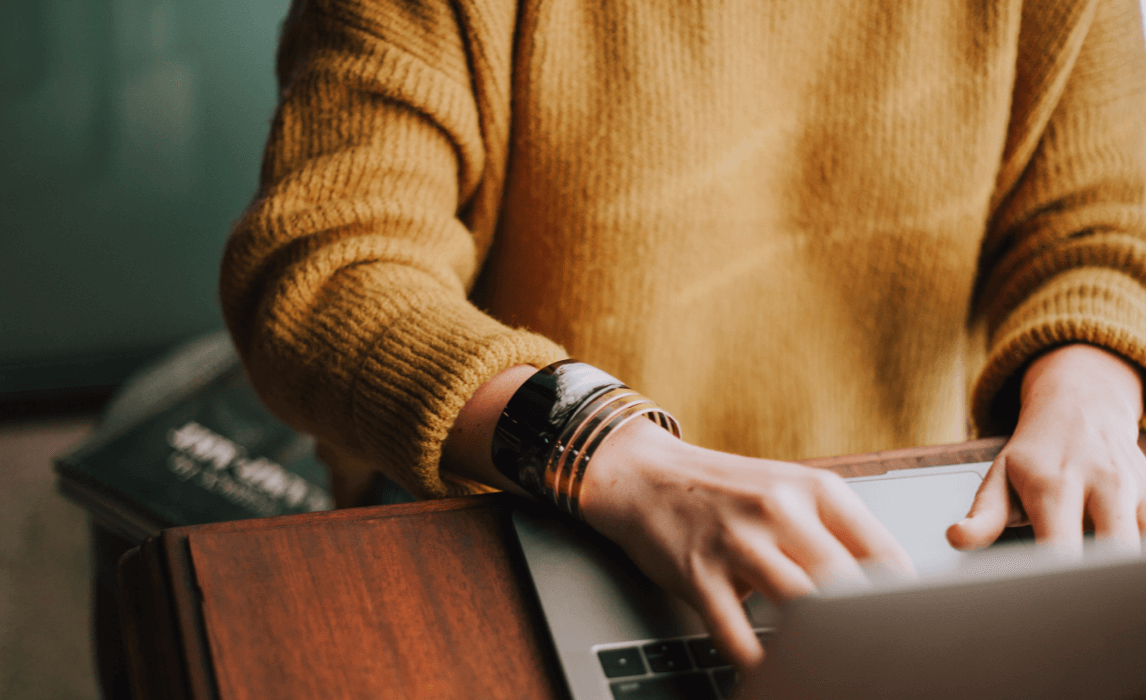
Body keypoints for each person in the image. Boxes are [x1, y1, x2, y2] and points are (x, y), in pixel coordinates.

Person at [220, 0, 1146, 672]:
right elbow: (326, 270)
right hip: (539, 510)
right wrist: (613, 454)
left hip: (906, 533)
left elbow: (1104, 228)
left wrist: (1091, 388)